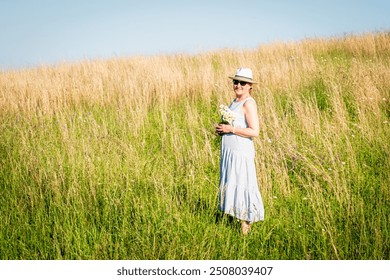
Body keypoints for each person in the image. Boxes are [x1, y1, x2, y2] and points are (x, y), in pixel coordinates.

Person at [215, 68, 265, 235]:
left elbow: (254, 131)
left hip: (241, 153)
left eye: (242, 82)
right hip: (230, 152)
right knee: (233, 182)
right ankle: (235, 216)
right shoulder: (234, 101)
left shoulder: (248, 103)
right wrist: (223, 129)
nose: (238, 85)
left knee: (243, 183)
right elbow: (234, 125)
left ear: (250, 85)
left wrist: (231, 128)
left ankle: (246, 225)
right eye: (235, 82)